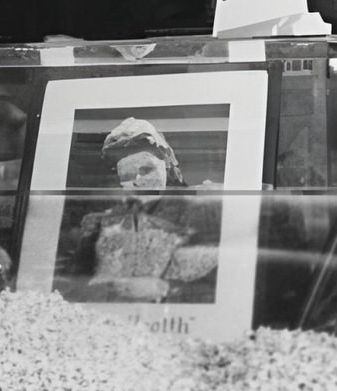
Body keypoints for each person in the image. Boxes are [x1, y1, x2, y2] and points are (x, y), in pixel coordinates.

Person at [63, 116, 221, 304]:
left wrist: (164, 287)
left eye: (146, 170)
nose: (137, 181)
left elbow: (222, 281)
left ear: (167, 165)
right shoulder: (105, 222)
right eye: (127, 175)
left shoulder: (202, 209)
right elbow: (74, 284)